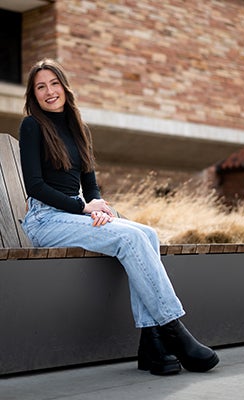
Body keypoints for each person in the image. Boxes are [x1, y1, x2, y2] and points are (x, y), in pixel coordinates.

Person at [19, 58, 219, 376]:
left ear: (65, 88)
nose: (49, 91)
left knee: (148, 233)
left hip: (76, 215)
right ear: (34, 95)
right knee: (129, 237)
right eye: (40, 87)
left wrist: (98, 204)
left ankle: (151, 345)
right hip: (46, 219)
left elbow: (90, 184)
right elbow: (35, 186)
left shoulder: (79, 129)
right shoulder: (32, 126)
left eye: (54, 83)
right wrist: (84, 208)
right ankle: (173, 330)